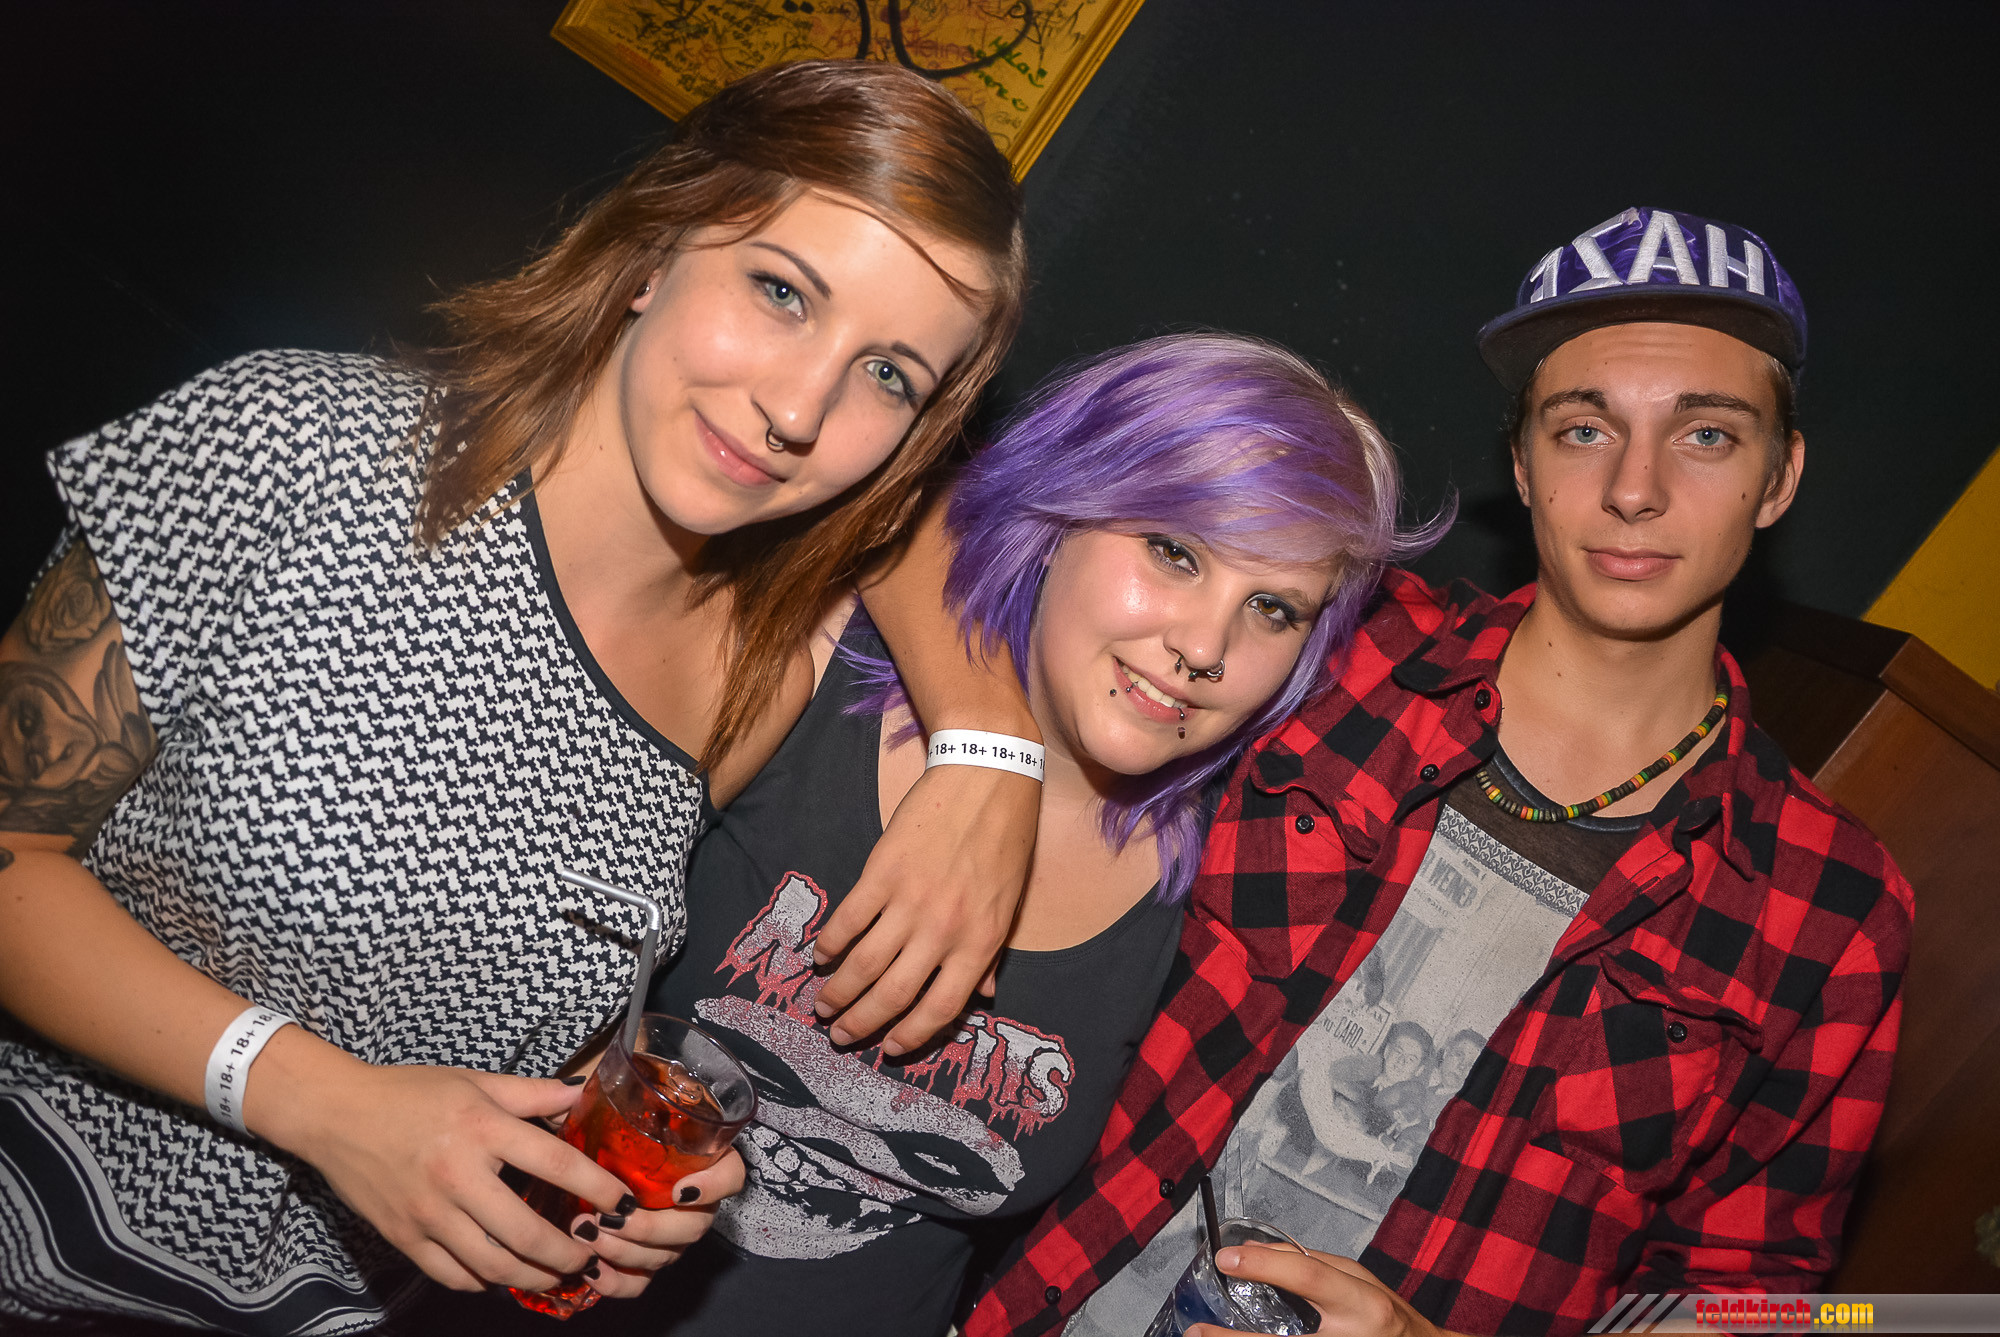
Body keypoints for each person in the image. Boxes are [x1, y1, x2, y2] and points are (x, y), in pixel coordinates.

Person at [0, 59, 1033, 1334]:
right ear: (654, 251)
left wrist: (603, 1141)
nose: (795, 406)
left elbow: (471, 975)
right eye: (780, 291)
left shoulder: (747, 682)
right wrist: (313, 1096)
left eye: (887, 375)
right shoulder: (298, 449)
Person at [964, 207, 1914, 1337]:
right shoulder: (1334, 646)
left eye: (1705, 434)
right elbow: (990, 553)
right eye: (1583, 429)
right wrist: (974, 755)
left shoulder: (1831, 907)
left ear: (1779, 476)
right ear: (1520, 463)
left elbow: (1745, 1294)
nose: (1634, 488)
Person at [631, 333, 1442, 1337]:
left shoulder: (1217, 890)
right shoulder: (810, 666)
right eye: (1174, 551)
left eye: (1271, 608)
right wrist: (987, 746)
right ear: (1063, 509)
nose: (1203, 646)